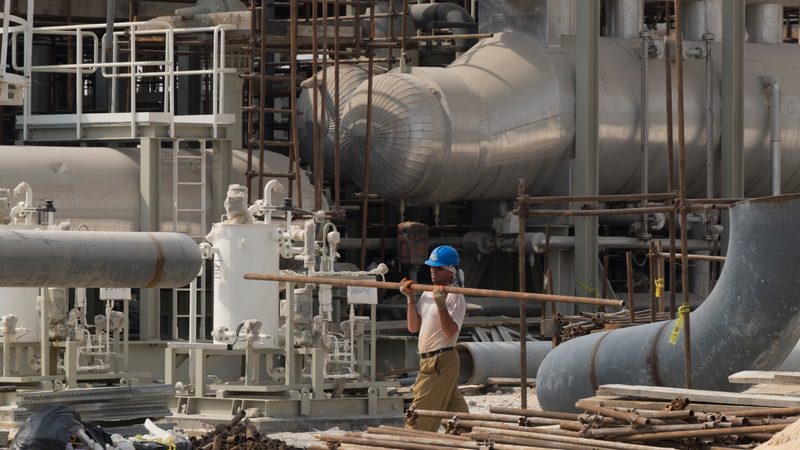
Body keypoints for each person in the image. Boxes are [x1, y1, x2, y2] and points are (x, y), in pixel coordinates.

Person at [399, 245, 469, 432]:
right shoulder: (428, 292)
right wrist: (410, 298)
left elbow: (450, 332)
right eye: (431, 267)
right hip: (430, 360)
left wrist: (441, 304)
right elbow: (413, 327)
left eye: (439, 268)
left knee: (418, 417)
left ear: (450, 272)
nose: (433, 271)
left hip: (441, 360)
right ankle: (465, 436)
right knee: (457, 414)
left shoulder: (455, 296)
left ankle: (413, 442)